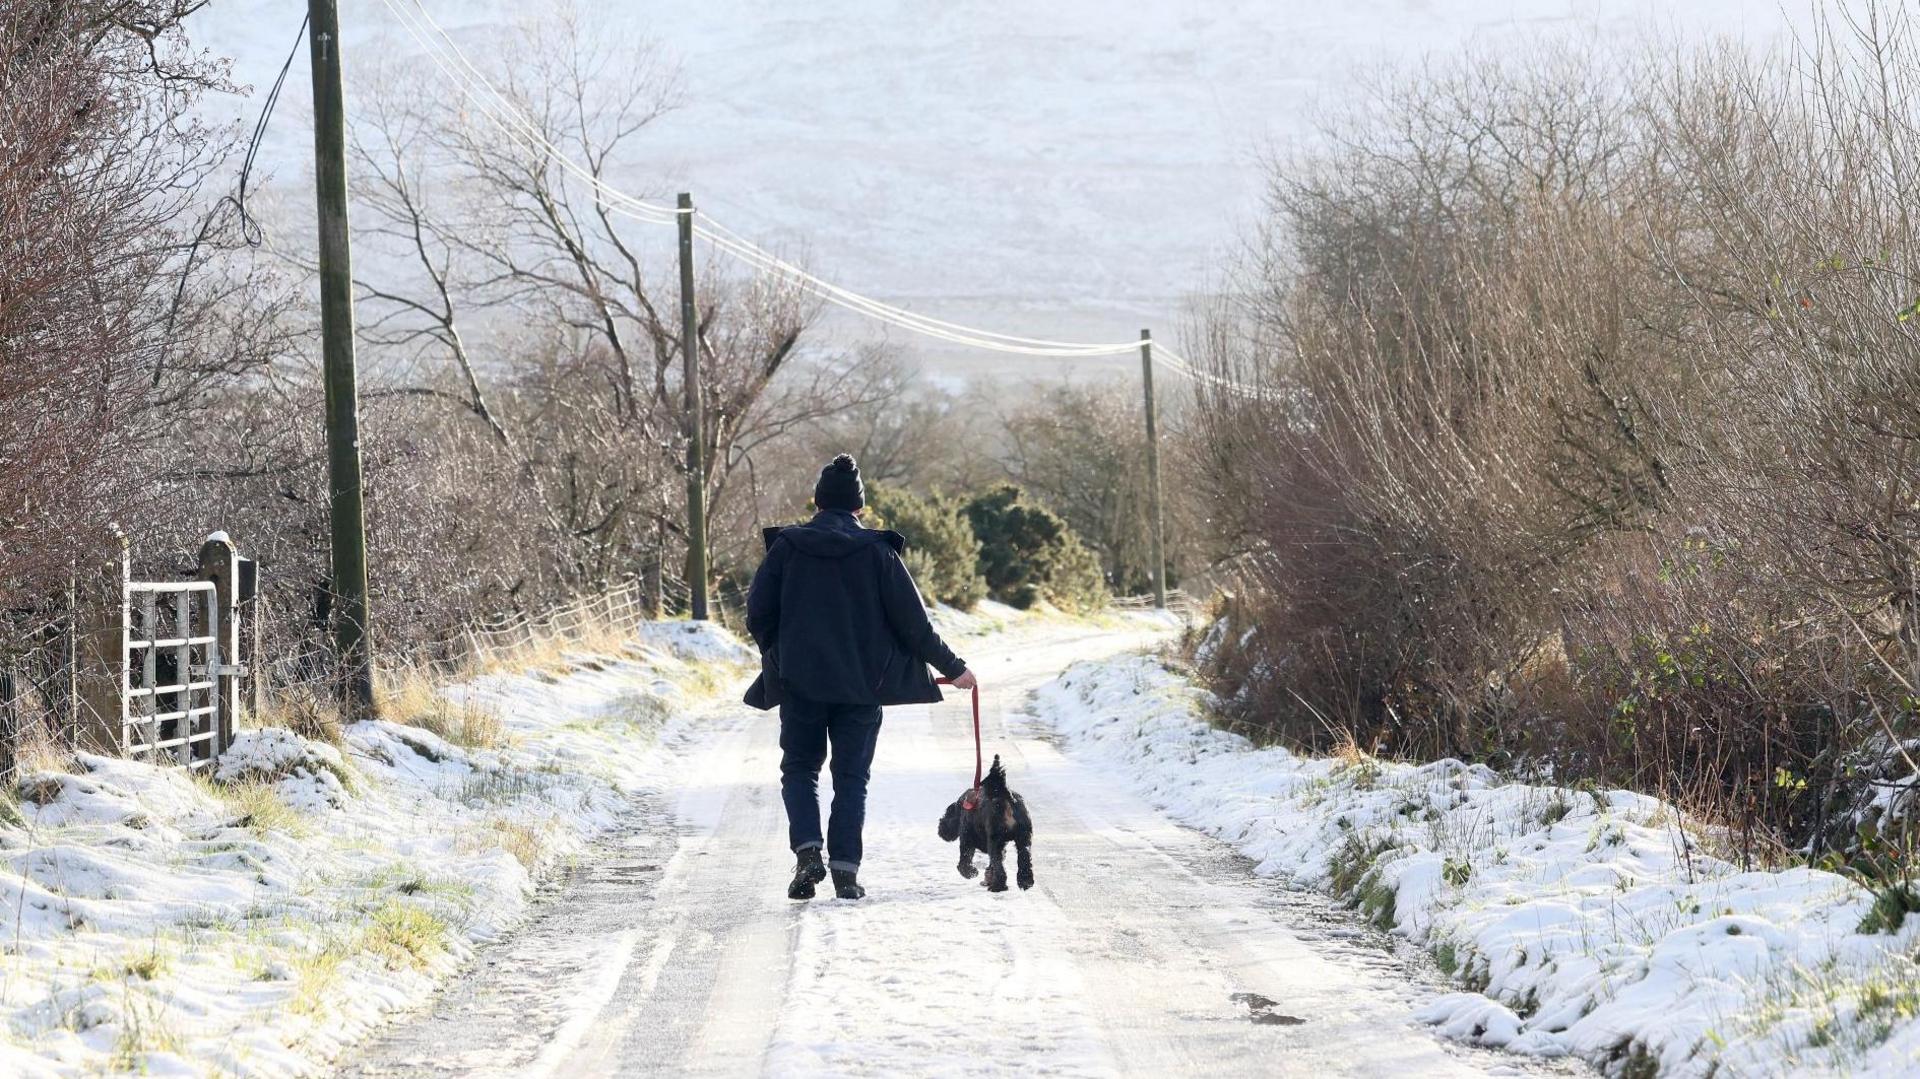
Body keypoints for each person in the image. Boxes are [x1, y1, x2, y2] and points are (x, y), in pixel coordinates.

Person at [744, 454, 977, 900]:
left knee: (799, 769)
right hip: (861, 688)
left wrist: (781, 654)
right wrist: (954, 669)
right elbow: (915, 626)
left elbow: (757, 613)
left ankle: (808, 853)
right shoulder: (877, 552)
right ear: (859, 507)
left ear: (817, 502)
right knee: (851, 779)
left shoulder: (787, 549)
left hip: (800, 684)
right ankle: (846, 872)